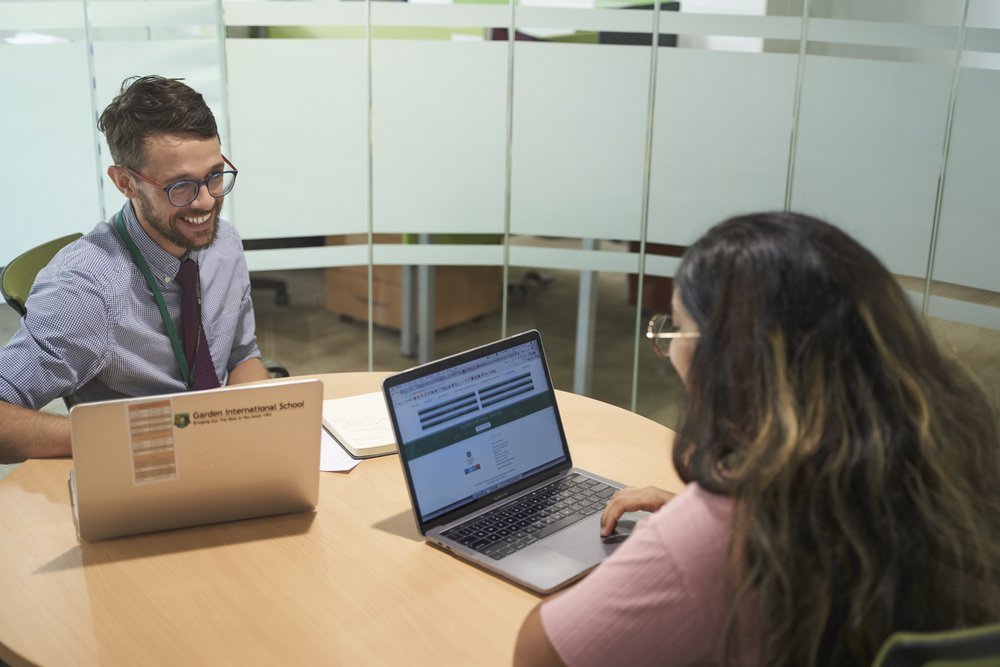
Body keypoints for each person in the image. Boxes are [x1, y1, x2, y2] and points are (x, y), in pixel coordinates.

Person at [513, 211, 1000, 667]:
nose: (669, 353)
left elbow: (538, 656)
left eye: (678, 332)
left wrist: (662, 560)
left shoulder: (724, 532)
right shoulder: (942, 455)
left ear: (733, 359)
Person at [0, 75, 270, 463]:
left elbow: (242, 355)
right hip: (147, 468)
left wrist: (262, 425)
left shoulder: (223, 244)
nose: (207, 202)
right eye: (180, 187)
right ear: (126, 183)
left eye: (214, 176)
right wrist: (126, 437)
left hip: (226, 455)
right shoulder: (86, 289)